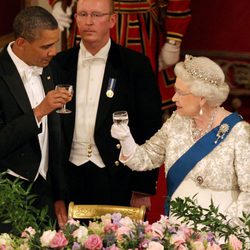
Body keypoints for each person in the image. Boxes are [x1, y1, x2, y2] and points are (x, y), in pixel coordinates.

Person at [111, 54, 250, 225]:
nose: (174, 98)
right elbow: (145, 158)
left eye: (180, 92)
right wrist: (126, 139)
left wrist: (226, 232)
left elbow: (248, 192)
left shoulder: (238, 132)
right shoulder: (176, 121)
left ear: (202, 97)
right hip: (178, 230)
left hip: (222, 233)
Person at [53, 0, 162, 210]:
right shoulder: (58, 64)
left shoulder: (135, 66)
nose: (89, 22)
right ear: (75, 19)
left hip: (116, 175)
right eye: (83, 14)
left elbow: (150, 129)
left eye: (96, 15)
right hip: (68, 176)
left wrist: (142, 188)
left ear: (112, 20)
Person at [0, 6, 71, 231]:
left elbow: (55, 139)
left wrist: (59, 195)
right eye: (46, 46)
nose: (53, 52)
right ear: (21, 42)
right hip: (8, 196)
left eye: (55, 44)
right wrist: (39, 111)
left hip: (46, 194)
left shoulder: (50, 68)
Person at [49, 0, 191, 110]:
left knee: (138, 103)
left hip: (138, 28)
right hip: (88, 22)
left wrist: (174, 38)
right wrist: (57, 3)